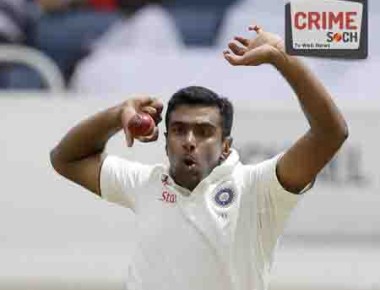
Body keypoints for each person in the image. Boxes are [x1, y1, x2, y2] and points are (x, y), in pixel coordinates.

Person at [50, 23, 348, 290]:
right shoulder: (145, 183)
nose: (189, 141)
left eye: (204, 132)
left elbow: (331, 134)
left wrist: (284, 58)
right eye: (179, 130)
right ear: (166, 143)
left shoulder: (258, 188)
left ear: (226, 146)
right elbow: (66, 159)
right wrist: (118, 114)